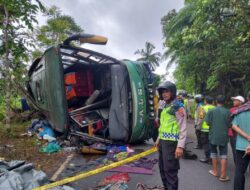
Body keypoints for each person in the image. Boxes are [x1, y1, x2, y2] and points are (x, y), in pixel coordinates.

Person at [154, 81, 187, 190]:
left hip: (172, 143)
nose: (164, 94)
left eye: (167, 91)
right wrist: (158, 139)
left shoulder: (177, 106)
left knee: (170, 171)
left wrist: (180, 146)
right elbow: (163, 125)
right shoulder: (164, 105)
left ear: (172, 92)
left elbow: (182, 127)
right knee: (162, 169)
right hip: (163, 142)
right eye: (163, 91)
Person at [205, 95, 230, 182]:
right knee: (224, 155)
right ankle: (223, 175)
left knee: (213, 153)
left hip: (213, 135)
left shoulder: (211, 111)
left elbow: (207, 123)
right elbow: (230, 124)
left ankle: (215, 171)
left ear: (216, 101)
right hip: (223, 136)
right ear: (225, 102)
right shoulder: (228, 112)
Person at [232, 91, 250, 190]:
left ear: (247, 98)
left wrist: (246, 136)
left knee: (239, 171)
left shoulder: (240, 110)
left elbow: (234, 126)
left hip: (241, 146)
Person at [229, 96, 245, 164]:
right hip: (236, 134)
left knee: (236, 151)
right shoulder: (232, 109)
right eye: (234, 100)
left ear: (240, 102)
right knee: (236, 151)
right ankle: (239, 166)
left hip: (236, 134)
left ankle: (239, 167)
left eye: (236, 100)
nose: (234, 101)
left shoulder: (233, 110)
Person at [199, 96, 215, 163]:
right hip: (213, 129)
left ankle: (207, 158)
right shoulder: (215, 108)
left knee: (205, 144)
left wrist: (198, 126)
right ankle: (213, 158)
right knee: (211, 143)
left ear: (206, 101)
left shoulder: (203, 108)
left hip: (205, 129)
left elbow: (201, 117)